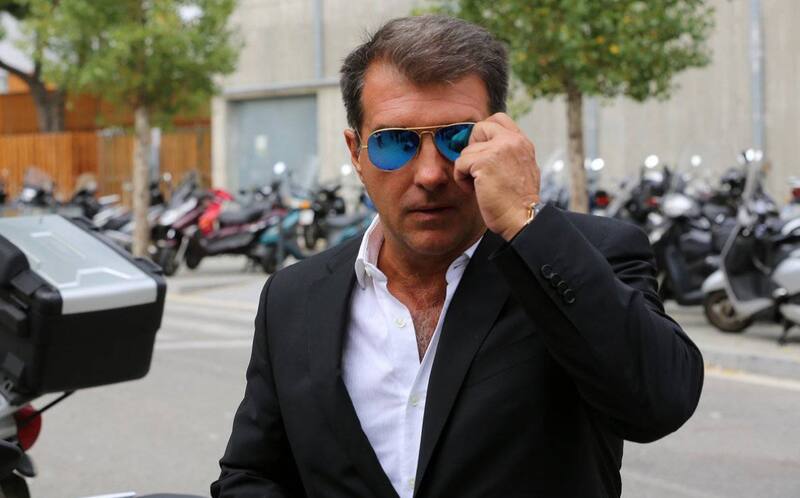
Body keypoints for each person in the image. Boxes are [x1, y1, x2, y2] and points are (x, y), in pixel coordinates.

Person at [211, 15, 704, 498]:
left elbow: (659, 403)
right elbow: (252, 474)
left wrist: (525, 222)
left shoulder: (584, 256)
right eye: (394, 143)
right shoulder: (293, 298)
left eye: (457, 139)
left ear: (501, 138)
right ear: (356, 153)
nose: (430, 174)